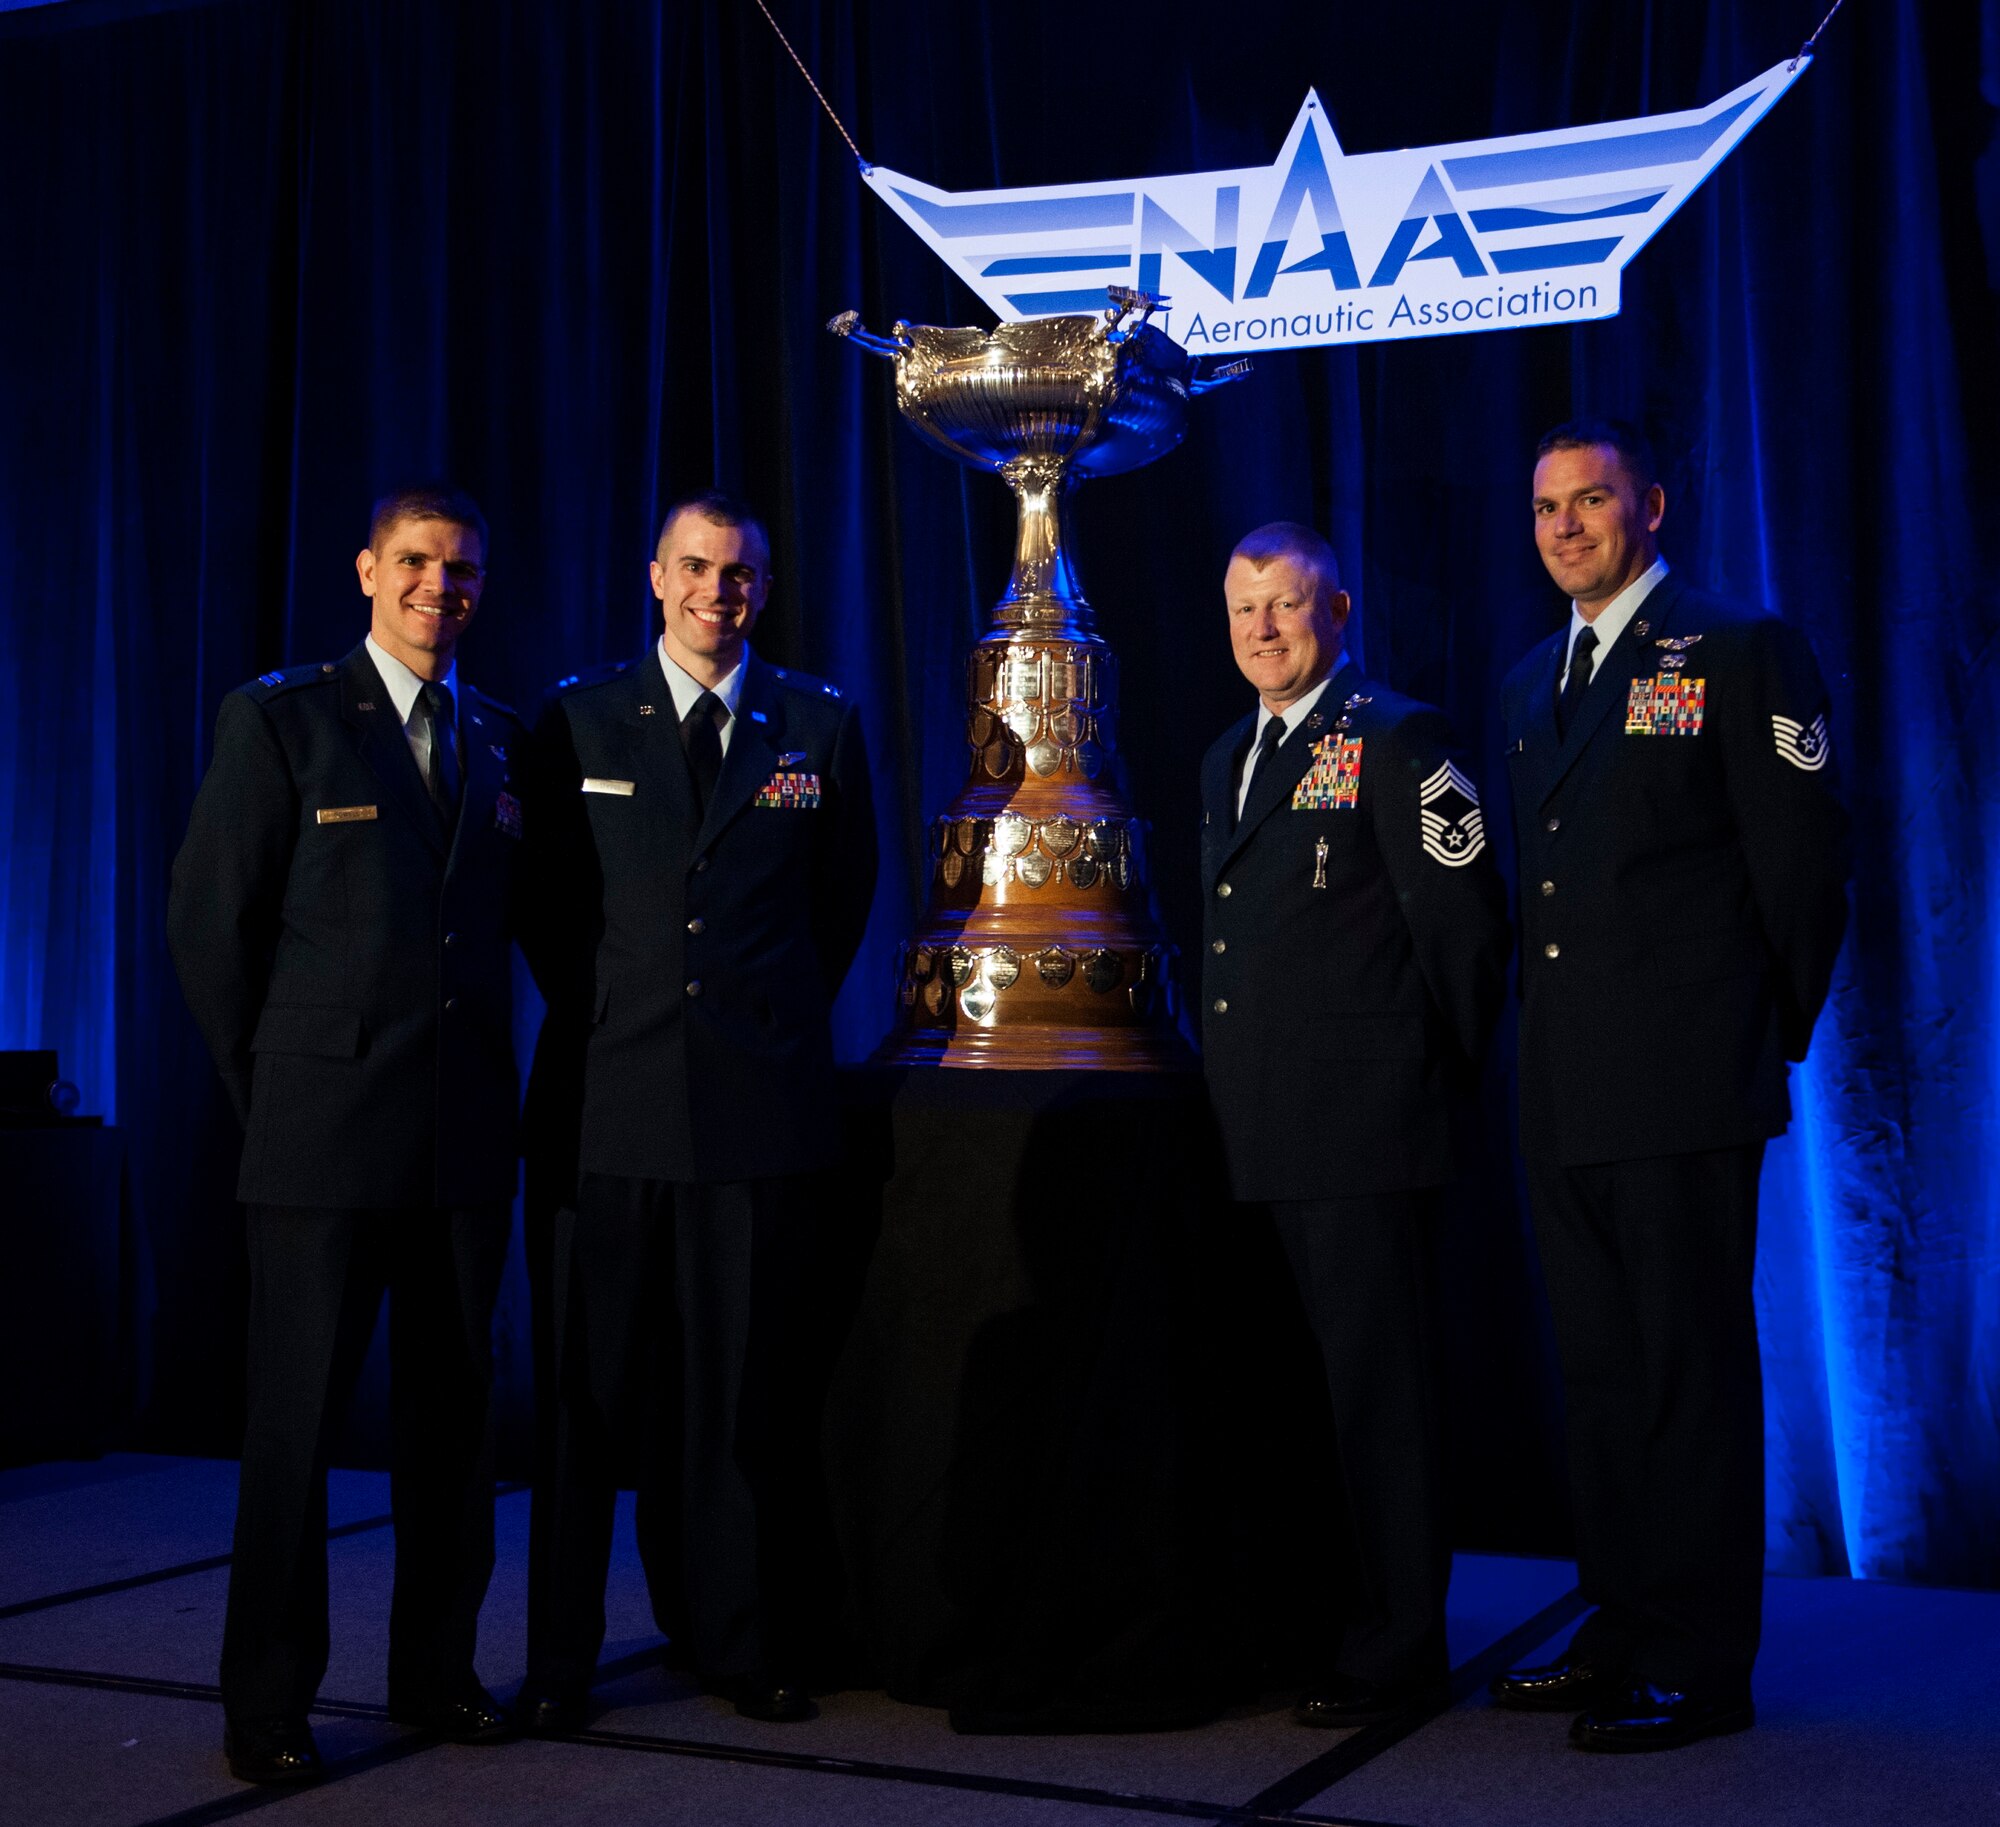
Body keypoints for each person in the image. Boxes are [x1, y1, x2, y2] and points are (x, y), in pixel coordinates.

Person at [1489, 420, 1849, 1751]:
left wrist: (1757, 1035)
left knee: (1688, 1371)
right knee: (1599, 1373)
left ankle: (1701, 1659)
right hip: (1567, 1084)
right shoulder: (1535, 679)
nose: (1567, 526)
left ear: (1649, 504)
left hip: (1686, 1077)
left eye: (1591, 500)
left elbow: (1806, 863)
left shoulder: (1737, 645)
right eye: (1545, 507)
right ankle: (1627, 1616)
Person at [168, 484, 531, 1784]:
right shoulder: (283, 719)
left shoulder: (497, 735)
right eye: (420, 561)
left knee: (455, 1425)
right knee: (294, 1432)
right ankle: (267, 1700)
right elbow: (212, 928)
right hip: (319, 1138)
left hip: (458, 1145)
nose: (443, 584)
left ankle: (436, 1671)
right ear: (371, 571)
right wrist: (274, 1091)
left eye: (465, 567)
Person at [519, 490, 877, 1731]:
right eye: (696, 568)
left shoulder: (817, 726)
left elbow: (841, 907)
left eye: (739, 574)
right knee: (585, 1405)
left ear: (761, 589)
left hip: (756, 1112)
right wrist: (630, 1014)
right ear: (656, 579)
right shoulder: (573, 721)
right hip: (605, 1109)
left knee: (742, 1399)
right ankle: (560, 1659)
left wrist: (753, 1023)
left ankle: (737, 1640)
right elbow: (550, 915)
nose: (716, 592)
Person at [1199, 522, 1511, 1725]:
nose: (1260, 630)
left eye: (1281, 605)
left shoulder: (1398, 735)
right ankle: (1321, 1618)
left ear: (1336, 611)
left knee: (1380, 1398)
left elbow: (1464, 936)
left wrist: (1425, 1091)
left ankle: (1399, 1643)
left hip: (1365, 1131)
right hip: (1256, 1131)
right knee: (1297, 1398)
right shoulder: (1231, 748)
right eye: (1240, 610)